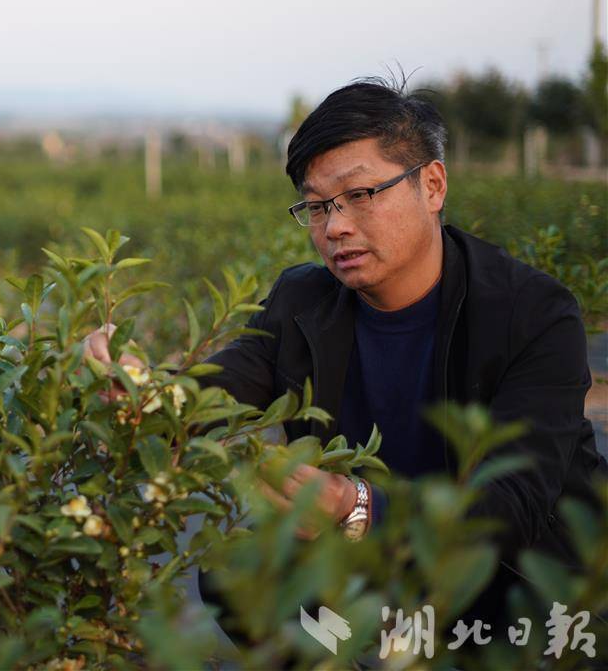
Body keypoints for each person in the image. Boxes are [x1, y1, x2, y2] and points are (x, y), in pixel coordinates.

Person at [86, 78, 606, 625]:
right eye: (317, 207)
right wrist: (140, 384)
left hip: (518, 591)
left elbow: (512, 506)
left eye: (360, 195)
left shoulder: (533, 314)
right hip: (374, 576)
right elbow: (210, 392)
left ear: (431, 185)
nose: (336, 226)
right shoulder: (303, 302)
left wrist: (354, 505)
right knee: (241, 573)